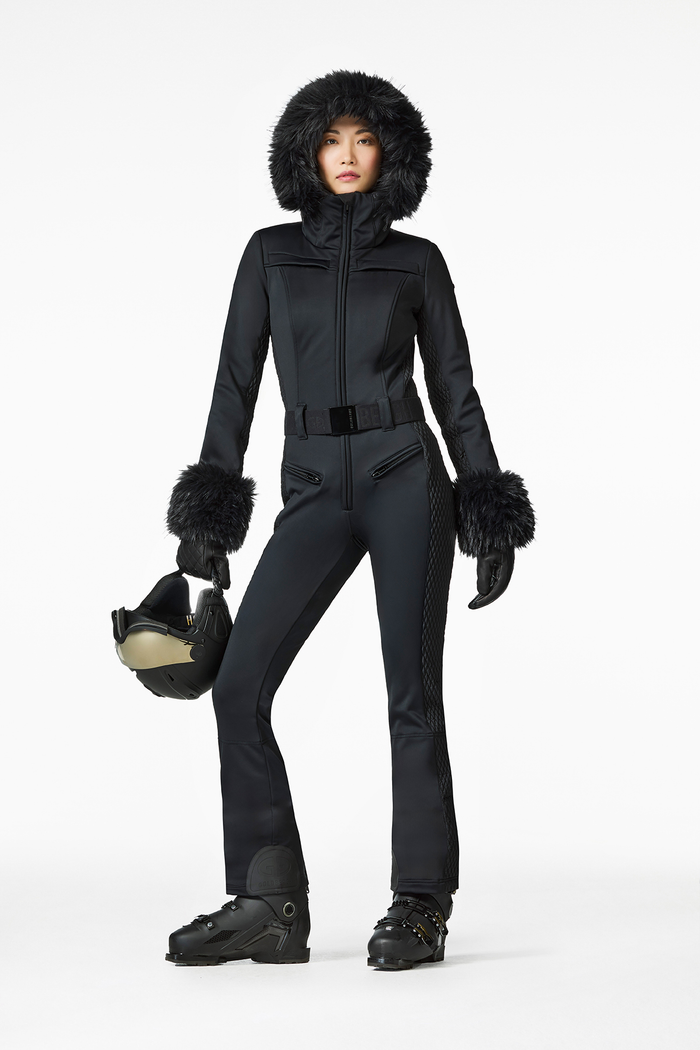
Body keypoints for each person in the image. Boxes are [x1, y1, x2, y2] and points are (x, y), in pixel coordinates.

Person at [164, 70, 535, 971]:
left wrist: (485, 506)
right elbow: (234, 385)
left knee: (411, 695)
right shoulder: (267, 254)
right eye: (331, 139)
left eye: (364, 139)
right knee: (237, 684)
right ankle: (269, 901)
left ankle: (421, 903)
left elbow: (455, 389)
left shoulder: (418, 263)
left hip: (405, 475)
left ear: (390, 155)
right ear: (304, 151)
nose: (346, 155)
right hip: (311, 486)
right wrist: (210, 510)